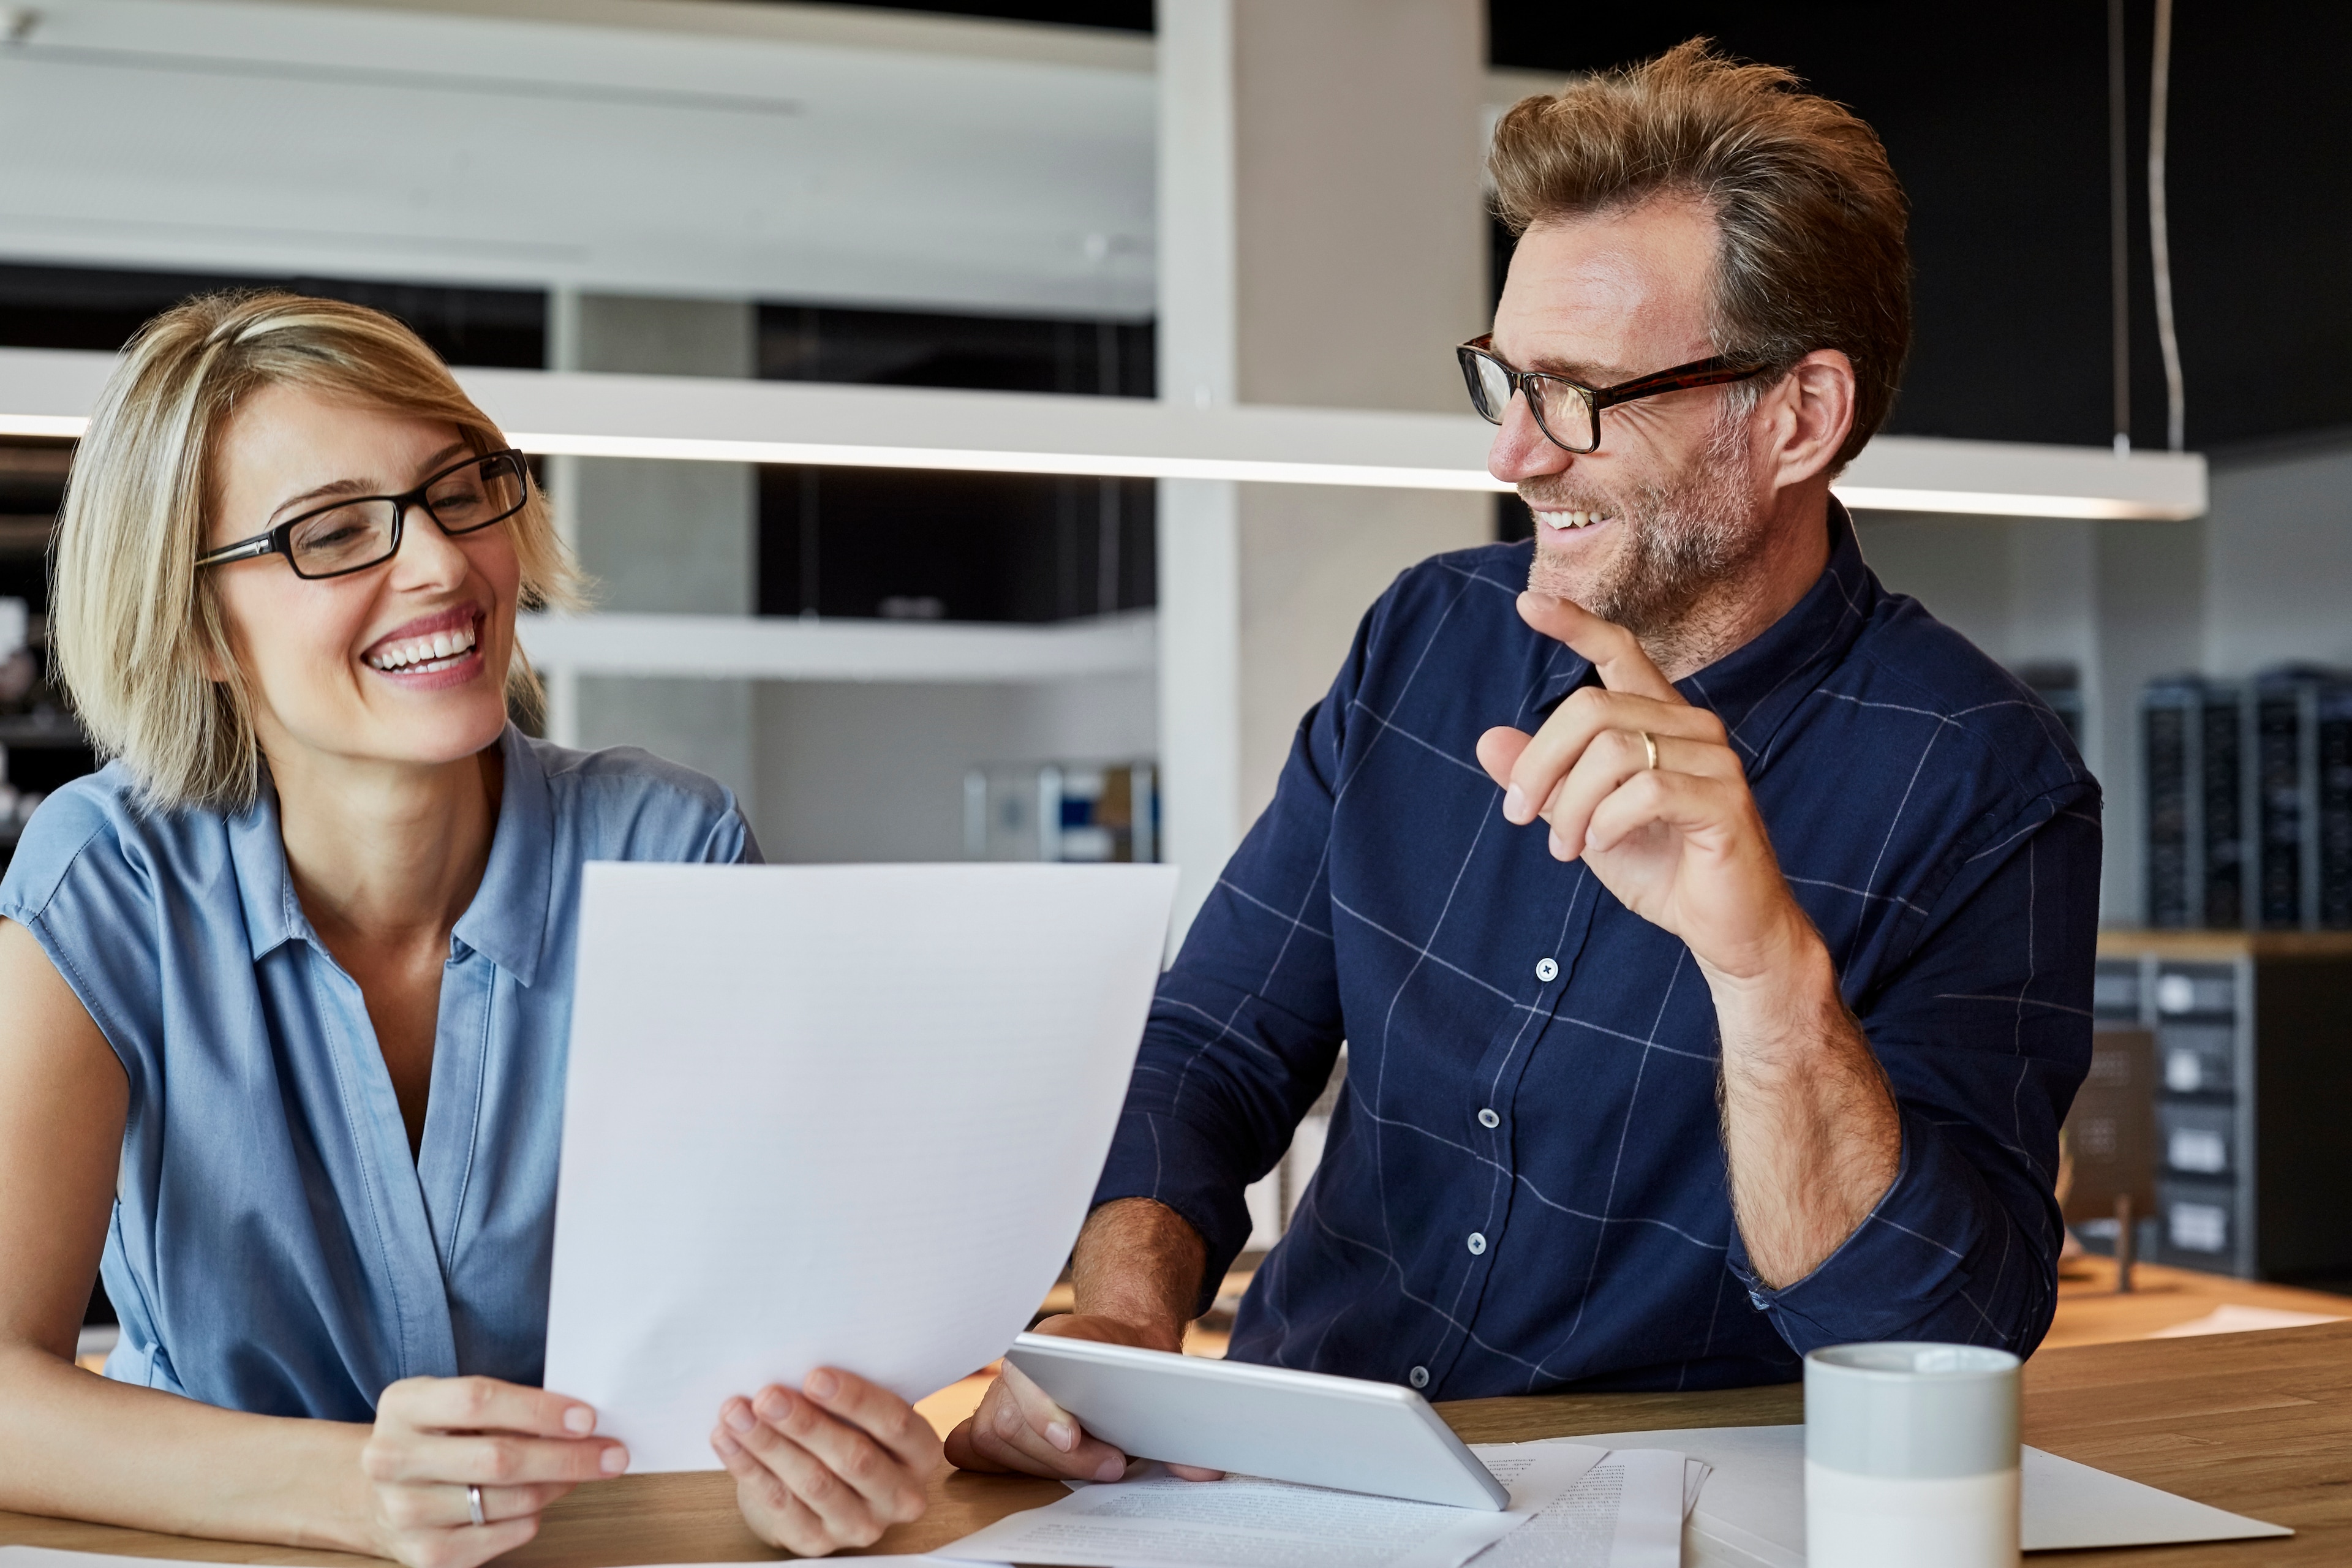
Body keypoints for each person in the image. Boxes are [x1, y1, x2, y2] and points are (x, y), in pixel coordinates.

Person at [950, 40, 2098, 1484]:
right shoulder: (1432, 636)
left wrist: (1765, 977)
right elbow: (1216, 1039)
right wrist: (1120, 1313)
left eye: (1576, 395)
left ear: (1798, 415)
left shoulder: (1982, 778)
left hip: (1651, 1510)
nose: (1514, 454)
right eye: (1504, 378)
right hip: (1294, 1479)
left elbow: (1942, 1332)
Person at [0, 294, 937, 1564]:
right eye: (333, 532)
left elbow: (764, 1345)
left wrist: (805, 1467)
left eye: (460, 491)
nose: (442, 564)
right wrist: (353, 1487)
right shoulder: (107, 879)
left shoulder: (670, 851)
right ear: (199, 625)